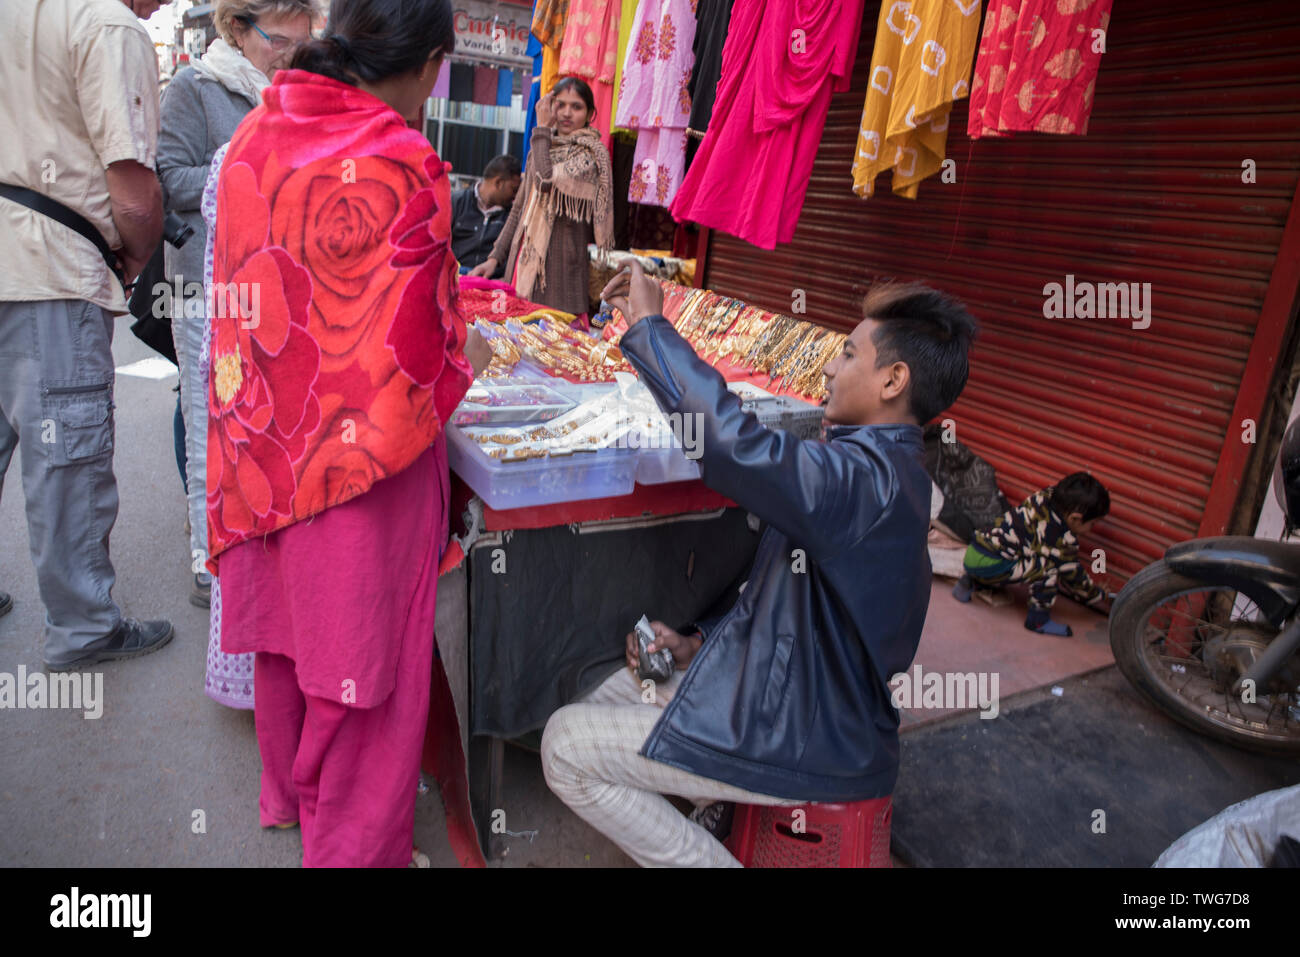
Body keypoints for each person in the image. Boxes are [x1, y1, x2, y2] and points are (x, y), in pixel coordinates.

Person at [541, 267, 976, 866]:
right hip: (795, 707)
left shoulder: (862, 482)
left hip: (807, 742)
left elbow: (732, 446)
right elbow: (788, 609)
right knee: (612, 689)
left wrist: (649, 327)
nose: (828, 368)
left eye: (848, 354)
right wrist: (697, 642)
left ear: (893, 380)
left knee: (563, 747)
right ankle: (709, 814)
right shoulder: (881, 470)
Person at [206, 0, 492, 867]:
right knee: (365, 666)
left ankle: (290, 795)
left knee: (292, 638)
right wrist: (468, 351)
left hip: (261, 445)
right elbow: (424, 355)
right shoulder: (406, 162)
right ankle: (356, 848)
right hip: (365, 468)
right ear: (432, 60)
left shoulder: (257, 136)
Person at [0, 0, 174, 670]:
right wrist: (134, 256)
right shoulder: (108, 25)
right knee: (66, 462)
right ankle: (82, 628)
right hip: (51, 266)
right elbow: (134, 196)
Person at [159, 0, 317, 611]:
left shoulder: (293, 96)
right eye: (281, 41)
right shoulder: (196, 88)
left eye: (302, 43)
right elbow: (168, 176)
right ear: (237, 29)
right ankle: (207, 552)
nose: (290, 54)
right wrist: (242, 176)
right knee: (207, 418)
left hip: (272, 287)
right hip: (206, 286)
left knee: (260, 419)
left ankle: (253, 537)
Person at [469, 77, 613, 322]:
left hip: (560, 276)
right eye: (560, 105)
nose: (567, 113)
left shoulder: (591, 156)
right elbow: (518, 210)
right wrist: (494, 258)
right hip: (523, 267)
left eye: (576, 107)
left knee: (554, 351)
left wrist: (542, 130)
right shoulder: (542, 147)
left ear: (590, 113)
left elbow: (546, 180)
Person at [953, 472, 1114, 637]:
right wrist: (1100, 596)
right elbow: (1075, 579)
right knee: (1050, 567)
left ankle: (968, 583)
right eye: (1092, 524)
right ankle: (1038, 621)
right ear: (1074, 519)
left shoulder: (1044, 497)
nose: (1091, 529)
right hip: (992, 563)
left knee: (1018, 554)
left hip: (976, 550)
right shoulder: (1061, 541)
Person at [451, 154, 521, 277]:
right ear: (499, 183)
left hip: (491, 284)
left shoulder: (512, 217)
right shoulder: (456, 202)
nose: (515, 196)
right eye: (514, 189)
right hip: (454, 279)